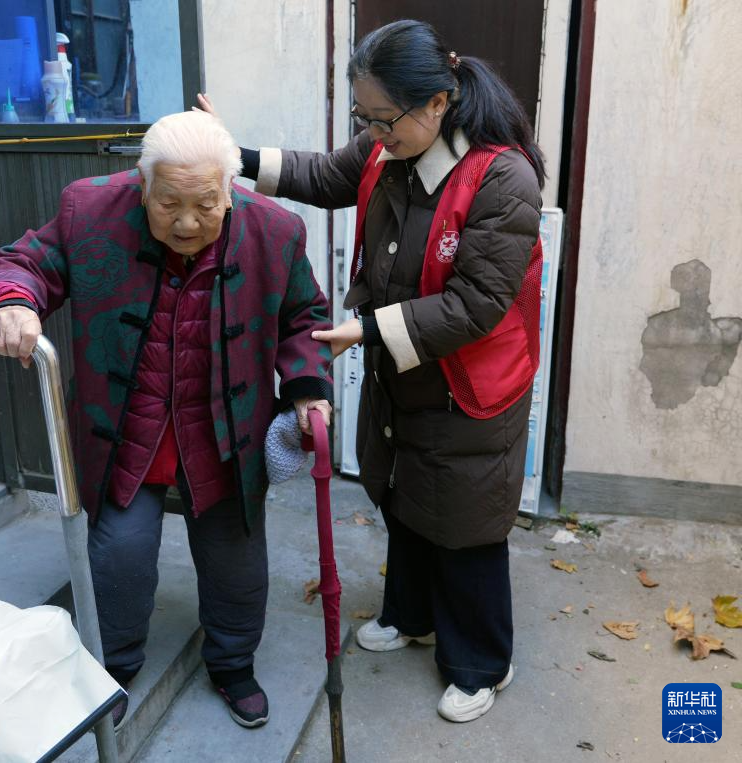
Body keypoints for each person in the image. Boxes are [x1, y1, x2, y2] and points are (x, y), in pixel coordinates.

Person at [202, 18, 544, 723]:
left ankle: (482, 661)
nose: (372, 133)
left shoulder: (502, 177)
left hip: (470, 384)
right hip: (404, 365)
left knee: (464, 523)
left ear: (438, 102)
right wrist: (231, 156)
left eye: (384, 118)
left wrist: (364, 330)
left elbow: (477, 303)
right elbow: (323, 174)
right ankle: (411, 615)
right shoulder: (389, 146)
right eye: (364, 117)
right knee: (404, 496)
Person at [0, 110, 333, 729]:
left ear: (230, 190)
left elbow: (305, 319)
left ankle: (233, 664)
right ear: (143, 185)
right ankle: (113, 666)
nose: (187, 223)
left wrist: (306, 389)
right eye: (169, 204)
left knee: (235, 559)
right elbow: (23, 263)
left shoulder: (275, 231)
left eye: (205, 205)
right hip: (127, 426)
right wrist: (10, 301)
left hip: (222, 430)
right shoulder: (90, 211)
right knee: (119, 554)